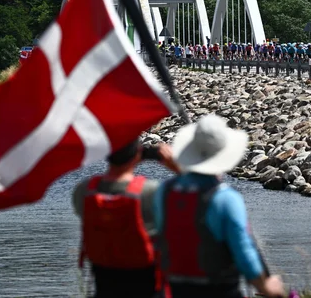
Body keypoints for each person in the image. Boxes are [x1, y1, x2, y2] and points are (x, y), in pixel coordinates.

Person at [154, 115, 285, 298]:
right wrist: (266, 285)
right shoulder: (226, 199)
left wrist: (181, 172)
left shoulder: (164, 192)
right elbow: (244, 253)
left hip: (174, 289)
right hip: (219, 290)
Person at [72, 138, 180, 298]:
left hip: (104, 285)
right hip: (148, 287)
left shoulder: (84, 191)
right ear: (138, 154)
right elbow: (197, 200)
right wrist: (177, 167)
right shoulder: (151, 192)